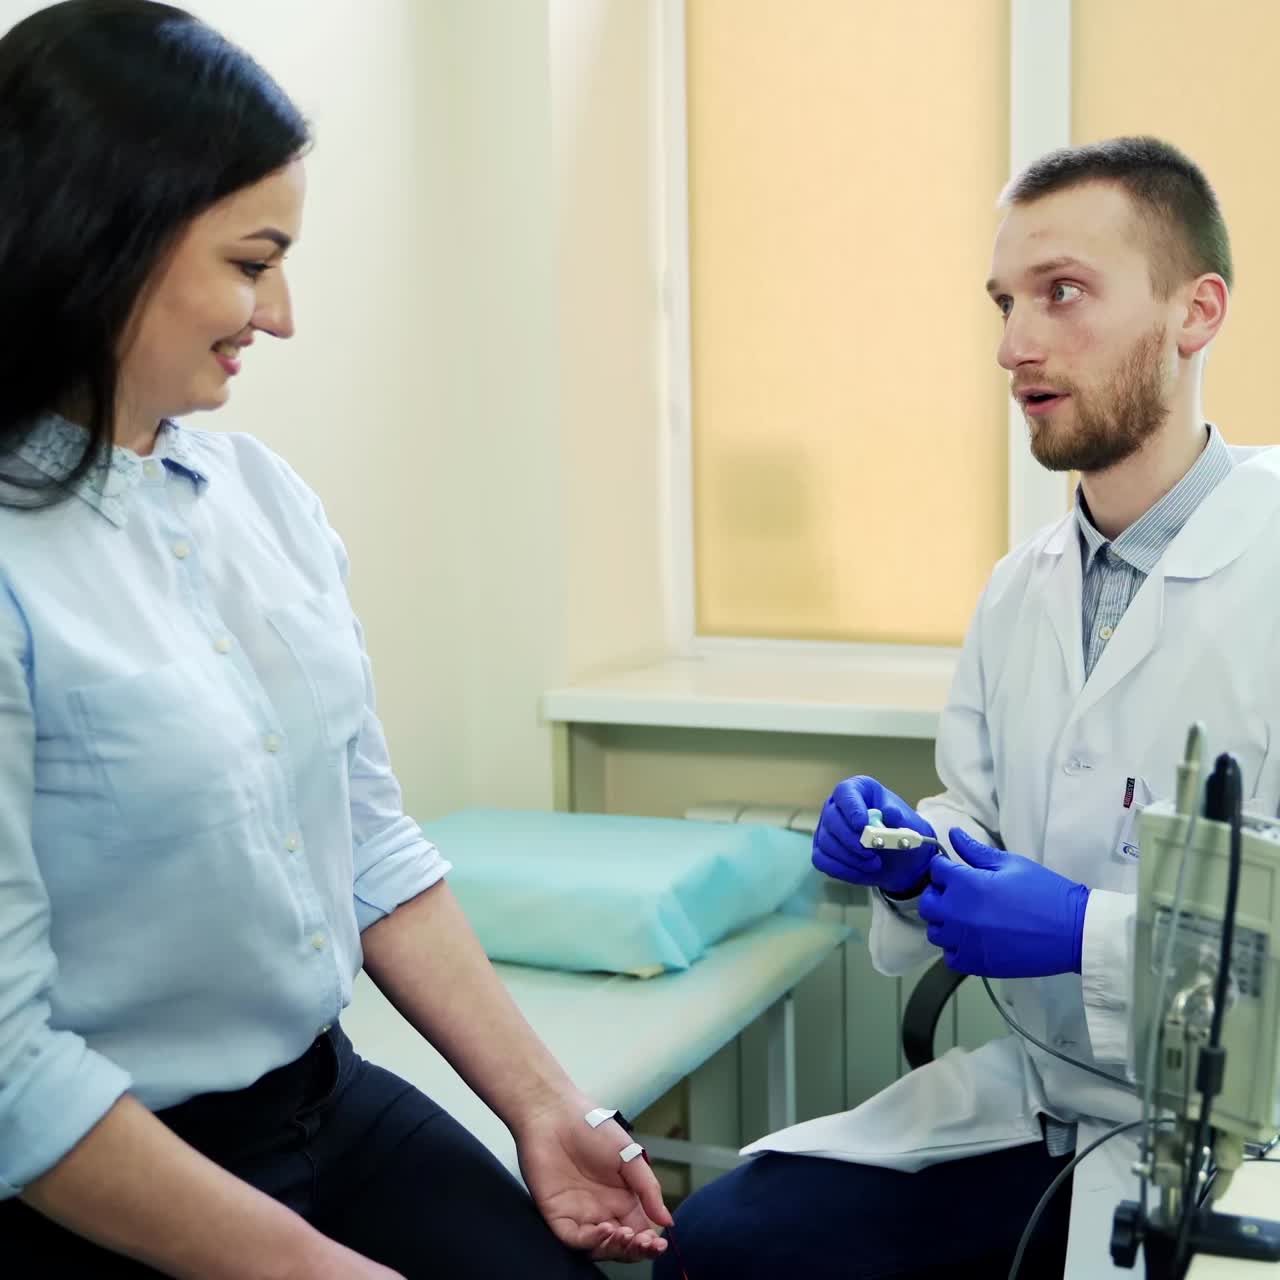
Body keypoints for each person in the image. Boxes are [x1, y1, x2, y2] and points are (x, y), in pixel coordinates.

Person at [0, 4, 671, 1276]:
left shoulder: (264, 501)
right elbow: (9, 1073)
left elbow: (366, 842)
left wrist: (545, 1103)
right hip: (98, 1176)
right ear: (106, 237)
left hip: (325, 1099)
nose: (283, 313)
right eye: (252, 262)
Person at [656, 136, 1280, 1278]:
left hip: (1248, 1139)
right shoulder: (1018, 587)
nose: (1012, 345)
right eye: (1003, 301)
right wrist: (914, 846)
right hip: (1037, 1103)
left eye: (1061, 293)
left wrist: (1081, 930)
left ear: (1196, 312)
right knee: (720, 1243)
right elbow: (987, 815)